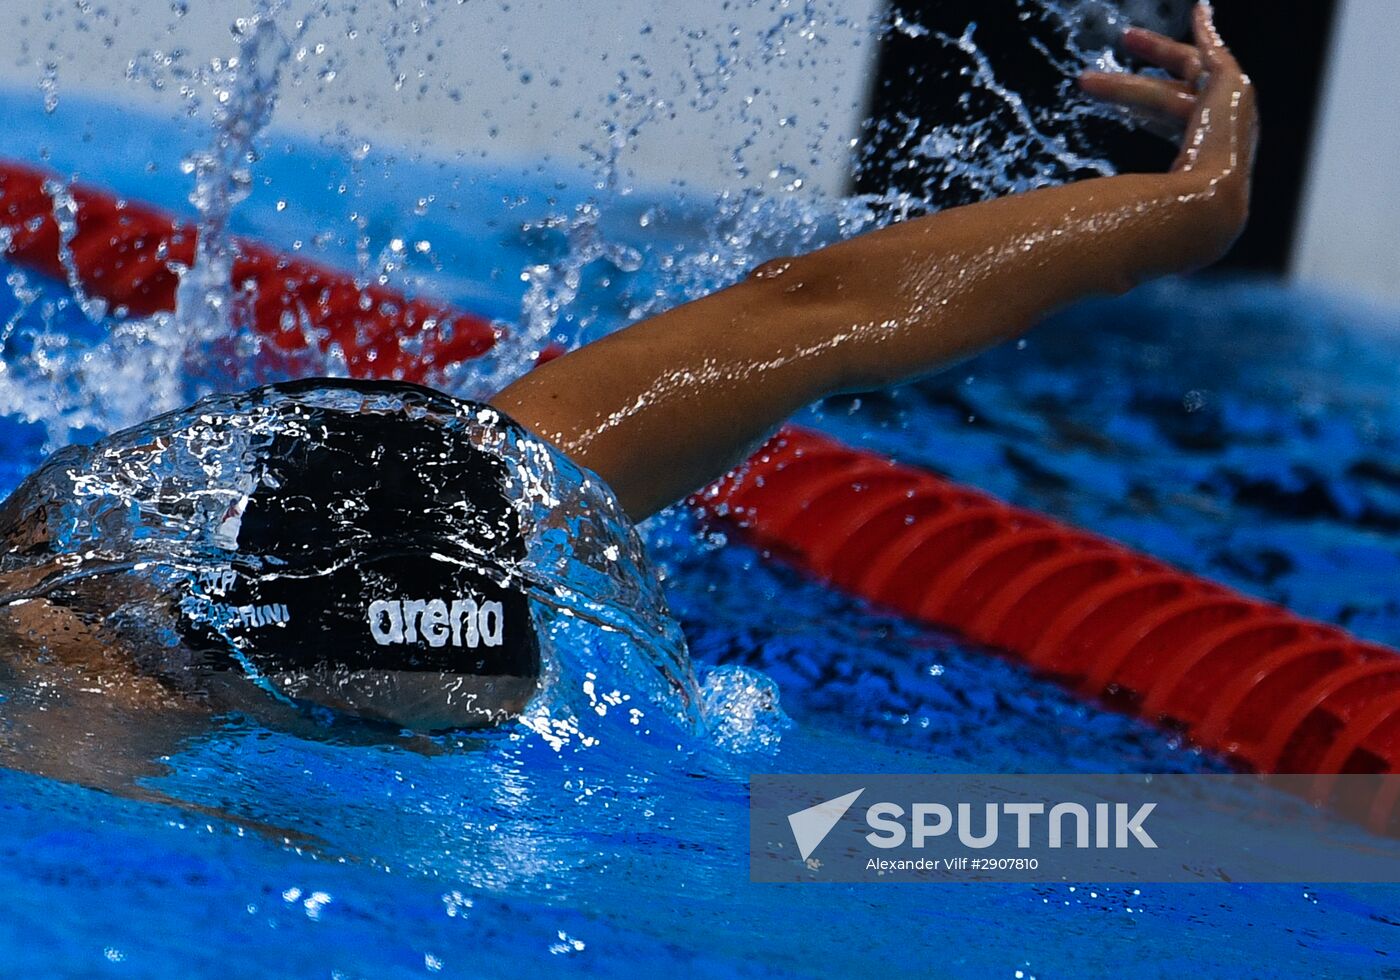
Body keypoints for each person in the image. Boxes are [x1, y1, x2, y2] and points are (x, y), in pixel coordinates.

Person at [0, 8, 1255, 776]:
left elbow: (815, 311)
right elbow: (817, 311)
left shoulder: (91, 657)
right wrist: (1183, 206)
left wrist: (1188, 207)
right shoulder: (88, 690)